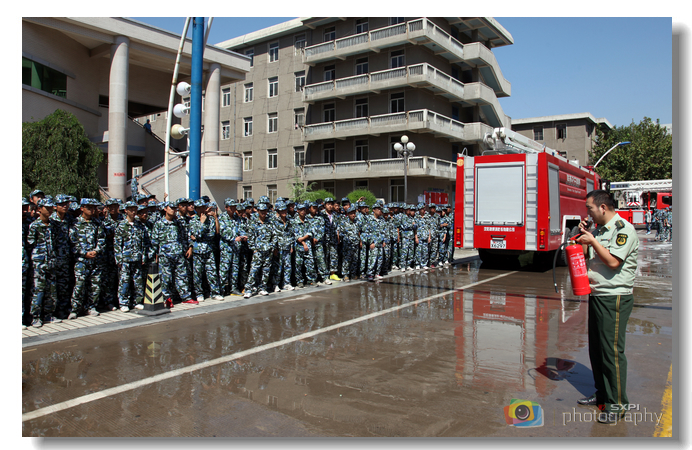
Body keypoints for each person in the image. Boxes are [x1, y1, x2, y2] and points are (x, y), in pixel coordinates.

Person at [575, 190, 639, 425]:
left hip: (614, 297)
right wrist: (584, 236)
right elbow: (586, 256)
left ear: (603, 207)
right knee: (597, 349)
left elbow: (613, 262)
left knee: (611, 352)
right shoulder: (599, 231)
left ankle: (617, 404)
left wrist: (592, 241)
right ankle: (602, 395)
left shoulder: (623, 230)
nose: (588, 213)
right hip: (598, 294)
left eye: (590, 208)